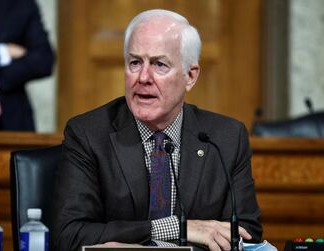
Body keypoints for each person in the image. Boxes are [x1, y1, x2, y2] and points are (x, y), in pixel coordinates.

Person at [52, 9, 262, 251]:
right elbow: (69, 235)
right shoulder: (88, 134)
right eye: (134, 63)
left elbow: (246, 234)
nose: (143, 77)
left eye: (159, 64)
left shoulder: (226, 138)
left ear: (190, 76)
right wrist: (175, 228)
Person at [0, 0, 54, 131]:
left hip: (14, 116)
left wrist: (2, 75)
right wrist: (2, 53)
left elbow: (44, 60)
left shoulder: (22, 4)